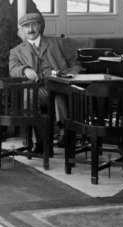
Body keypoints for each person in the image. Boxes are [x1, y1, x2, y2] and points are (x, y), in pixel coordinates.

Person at [9, 12, 80, 152]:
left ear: (40, 26)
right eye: (26, 26)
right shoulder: (16, 51)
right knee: (30, 96)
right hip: (36, 88)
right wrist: (24, 70)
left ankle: (65, 132)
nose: (30, 29)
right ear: (22, 30)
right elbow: (13, 69)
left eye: (33, 25)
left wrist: (71, 75)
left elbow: (76, 63)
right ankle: (40, 141)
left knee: (59, 96)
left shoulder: (57, 43)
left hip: (60, 85)